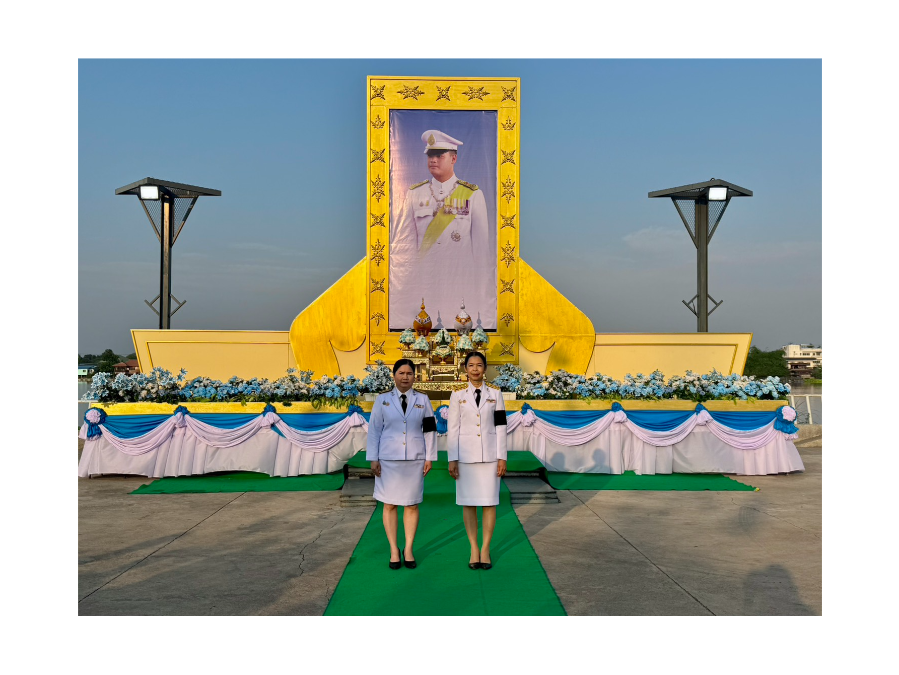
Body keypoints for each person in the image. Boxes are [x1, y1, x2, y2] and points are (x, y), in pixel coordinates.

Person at [389, 129, 496, 330]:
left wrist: (481, 293)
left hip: (460, 283)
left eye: (439, 155)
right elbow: (406, 245)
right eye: (430, 155)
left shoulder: (472, 194)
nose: (433, 160)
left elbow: (482, 252)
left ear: (453, 158)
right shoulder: (415, 194)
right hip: (424, 283)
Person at [366, 359, 438, 569]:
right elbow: (374, 430)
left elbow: (430, 430)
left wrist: (429, 457)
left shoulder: (423, 400)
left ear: (415, 376)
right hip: (388, 459)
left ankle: (408, 548)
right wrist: (373, 458)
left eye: (409, 373)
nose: (405, 377)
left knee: (412, 504)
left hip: (415, 458)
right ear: (394, 375)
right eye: (401, 373)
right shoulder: (382, 400)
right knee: (389, 504)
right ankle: (393, 550)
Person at [446, 351, 507, 570]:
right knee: (468, 502)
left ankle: (486, 548)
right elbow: (453, 429)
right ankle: (473, 548)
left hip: (490, 456)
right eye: (471, 365)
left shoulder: (496, 394)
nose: (475, 369)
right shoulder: (457, 395)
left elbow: (501, 426)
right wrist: (452, 458)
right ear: (465, 369)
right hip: (466, 457)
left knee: (490, 503)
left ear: (485, 369)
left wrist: (502, 457)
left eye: (479, 365)